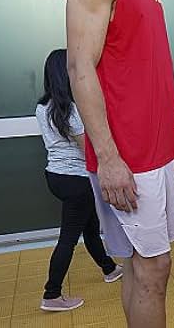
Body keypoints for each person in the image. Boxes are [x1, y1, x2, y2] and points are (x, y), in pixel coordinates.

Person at [65, 0, 174, 328]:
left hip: (154, 155)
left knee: (143, 266)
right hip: (127, 157)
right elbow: (80, 69)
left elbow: (149, 78)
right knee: (153, 268)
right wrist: (110, 159)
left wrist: (172, 150)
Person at [36, 49, 123, 312]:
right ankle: (51, 294)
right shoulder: (71, 110)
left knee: (89, 225)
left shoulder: (43, 107)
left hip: (56, 175)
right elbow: (89, 146)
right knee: (69, 238)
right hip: (76, 178)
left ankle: (109, 268)